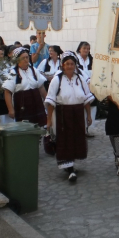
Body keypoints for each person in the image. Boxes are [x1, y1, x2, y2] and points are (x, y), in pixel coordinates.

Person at [45, 51, 94, 182]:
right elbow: (50, 101)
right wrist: (49, 120)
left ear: (75, 65)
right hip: (62, 114)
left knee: (76, 137)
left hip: (78, 112)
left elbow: (87, 99)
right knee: (64, 139)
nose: (70, 66)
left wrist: (89, 115)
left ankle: (70, 165)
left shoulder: (80, 78)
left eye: (72, 64)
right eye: (67, 64)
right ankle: (70, 169)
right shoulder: (57, 79)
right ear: (62, 65)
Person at [3, 47, 47, 126]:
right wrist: (11, 109)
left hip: (36, 103)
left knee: (40, 126)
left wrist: (47, 102)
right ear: (17, 60)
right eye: (23, 58)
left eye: (27, 57)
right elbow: (7, 92)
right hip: (22, 105)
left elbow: (41, 87)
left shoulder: (34, 70)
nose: (26, 60)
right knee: (24, 127)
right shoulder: (13, 73)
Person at [76, 41, 96, 137]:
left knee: (92, 108)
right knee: (80, 108)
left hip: (91, 87)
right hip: (79, 87)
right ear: (79, 49)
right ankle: (80, 129)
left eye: (88, 49)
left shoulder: (92, 60)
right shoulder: (75, 60)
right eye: (84, 48)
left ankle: (88, 128)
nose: (86, 50)